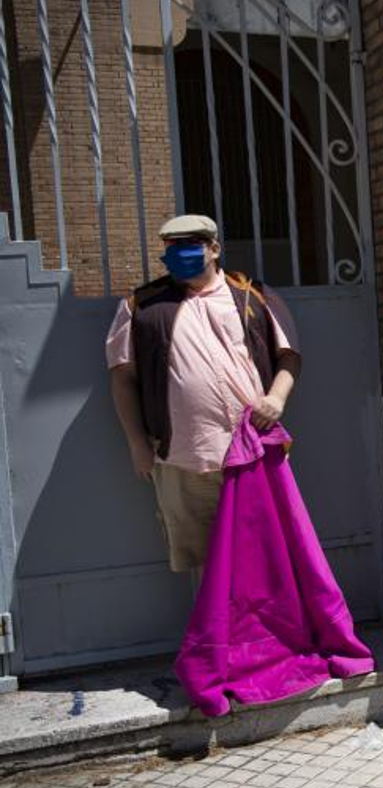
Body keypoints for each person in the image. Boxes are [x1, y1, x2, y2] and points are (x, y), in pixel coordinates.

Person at [106, 214, 301, 575]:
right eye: (172, 248)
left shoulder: (253, 295)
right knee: (203, 561)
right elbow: (122, 378)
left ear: (214, 249)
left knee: (264, 550)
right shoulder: (140, 306)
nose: (180, 253)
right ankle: (216, 630)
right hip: (183, 457)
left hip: (253, 449)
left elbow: (288, 356)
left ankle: (263, 631)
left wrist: (276, 399)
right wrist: (136, 443)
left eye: (190, 246)